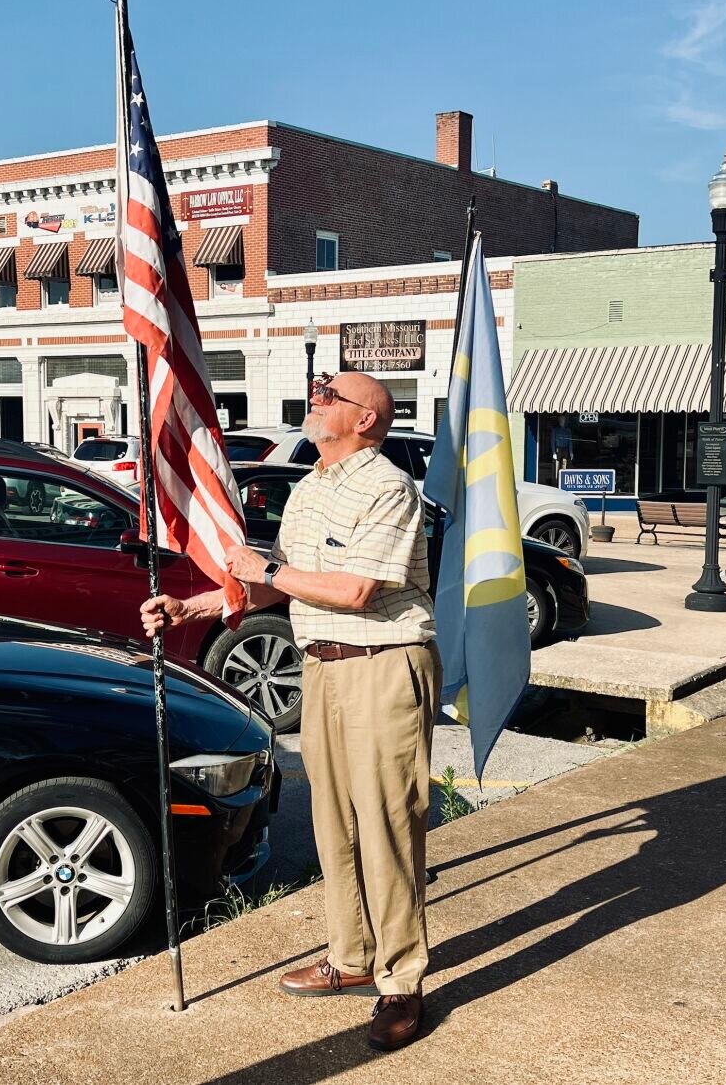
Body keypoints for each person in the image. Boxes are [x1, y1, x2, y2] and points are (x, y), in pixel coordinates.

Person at [140, 370, 439, 1052]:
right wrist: (194, 607)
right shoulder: (310, 487)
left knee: (388, 827)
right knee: (334, 823)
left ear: (365, 419)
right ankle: (350, 956)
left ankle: (401, 982)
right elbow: (278, 583)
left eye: (330, 395)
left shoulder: (388, 488)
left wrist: (266, 573)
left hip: (382, 666)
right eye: (318, 391)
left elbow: (355, 589)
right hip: (324, 667)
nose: (317, 400)